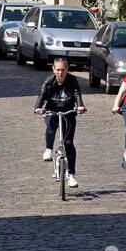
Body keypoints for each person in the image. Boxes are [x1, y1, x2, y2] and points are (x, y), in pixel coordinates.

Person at [35, 56, 86, 190]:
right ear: (53, 69)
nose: (60, 73)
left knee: (68, 143)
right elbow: (42, 95)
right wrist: (38, 108)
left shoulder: (72, 80)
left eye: (63, 70)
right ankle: (48, 149)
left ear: (67, 69)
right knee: (51, 126)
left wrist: (80, 106)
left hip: (68, 111)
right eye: (57, 70)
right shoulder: (49, 82)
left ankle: (71, 175)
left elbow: (76, 94)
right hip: (52, 110)